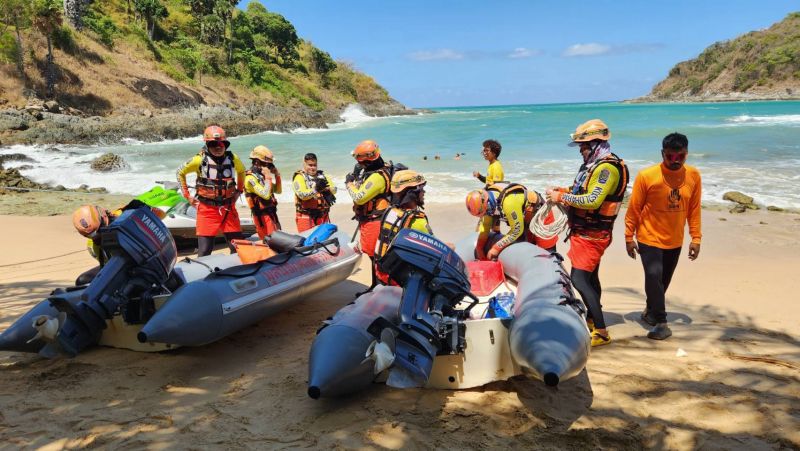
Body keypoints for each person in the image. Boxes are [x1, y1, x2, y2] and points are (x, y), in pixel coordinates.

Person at [546, 119, 629, 347]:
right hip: (587, 232)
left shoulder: (606, 168)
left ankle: (601, 332)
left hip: (593, 235)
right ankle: (593, 319)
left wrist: (561, 198)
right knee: (591, 278)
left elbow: (593, 199)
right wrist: (562, 191)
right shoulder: (594, 166)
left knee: (579, 280)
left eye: (583, 146)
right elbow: (581, 191)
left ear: (594, 144)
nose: (580, 151)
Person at [624, 132, 702, 340]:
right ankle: (661, 322)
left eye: (680, 157)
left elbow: (694, 209)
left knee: (662, 281)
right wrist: (628, 237)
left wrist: (696, 238)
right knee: (653, 275)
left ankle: (650, 311)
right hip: (648, 236)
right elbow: (634, 208)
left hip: (675, 239)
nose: (675, 161)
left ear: (687, 154)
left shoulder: (693, 176)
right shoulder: (647, 176)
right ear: (662, 154)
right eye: (670, 157)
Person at [177, 125, 246, 256]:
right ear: (207, 144)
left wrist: (239, 190)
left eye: (222, 143)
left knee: (237, 247)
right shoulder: (198, 160)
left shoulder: (233, 158)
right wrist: (187, 196)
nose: (218, 147)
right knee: (205, 250)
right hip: (206, 209)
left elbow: (242, 171)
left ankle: (237, 273)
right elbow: (180, 172)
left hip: (228, 208)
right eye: (214, 144)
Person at [465, 182, 558, 260]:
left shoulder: (508, 203)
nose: (486, 215)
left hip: (541, 215)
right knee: (525, 250)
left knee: (548, 254)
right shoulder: (488, 204)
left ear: (487, 203)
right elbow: (485, 228)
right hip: (524, 219)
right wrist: (479, 248)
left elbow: (517, 230)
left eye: (486, 212)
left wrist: (495, 248)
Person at [346, 140, 394, 290]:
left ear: (365, 161)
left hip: (375, 221)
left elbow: (359, 197)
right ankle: (376, 285)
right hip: (376, 219)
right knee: (375, 256)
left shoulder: (377, 177)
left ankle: (378, 287)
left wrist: (349, 183)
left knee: (375, 256)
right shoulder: (380, 170)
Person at [374, 170, 433, 284]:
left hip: (382, 272)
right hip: (398, 279)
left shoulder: (390, 212)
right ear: (412, 193)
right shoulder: (417, 221)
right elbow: (433, 250)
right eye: (421, 189)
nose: (424, 192)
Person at [244, 145, 282, 239]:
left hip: (272, 215)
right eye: (267, 164)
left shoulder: (261, 177)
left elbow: (278, 190)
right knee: (270, 243)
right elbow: (265, 195)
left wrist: (277, 175)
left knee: (279, 241)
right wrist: (268, 176)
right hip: (262, 218)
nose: (269, 167)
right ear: (257, 162)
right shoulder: (250, 178)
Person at [292, 152, 336, 232]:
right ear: (304, 164)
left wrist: (326, 189)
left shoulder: (322, 176)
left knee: (323, 242)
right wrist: (316, 189)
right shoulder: (299, 177)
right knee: (307, 242)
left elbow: (335, 189)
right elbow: (302, 195)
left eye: (314, 165)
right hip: (306, 216)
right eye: (310, 165)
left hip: (322, 215)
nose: (313, 168)